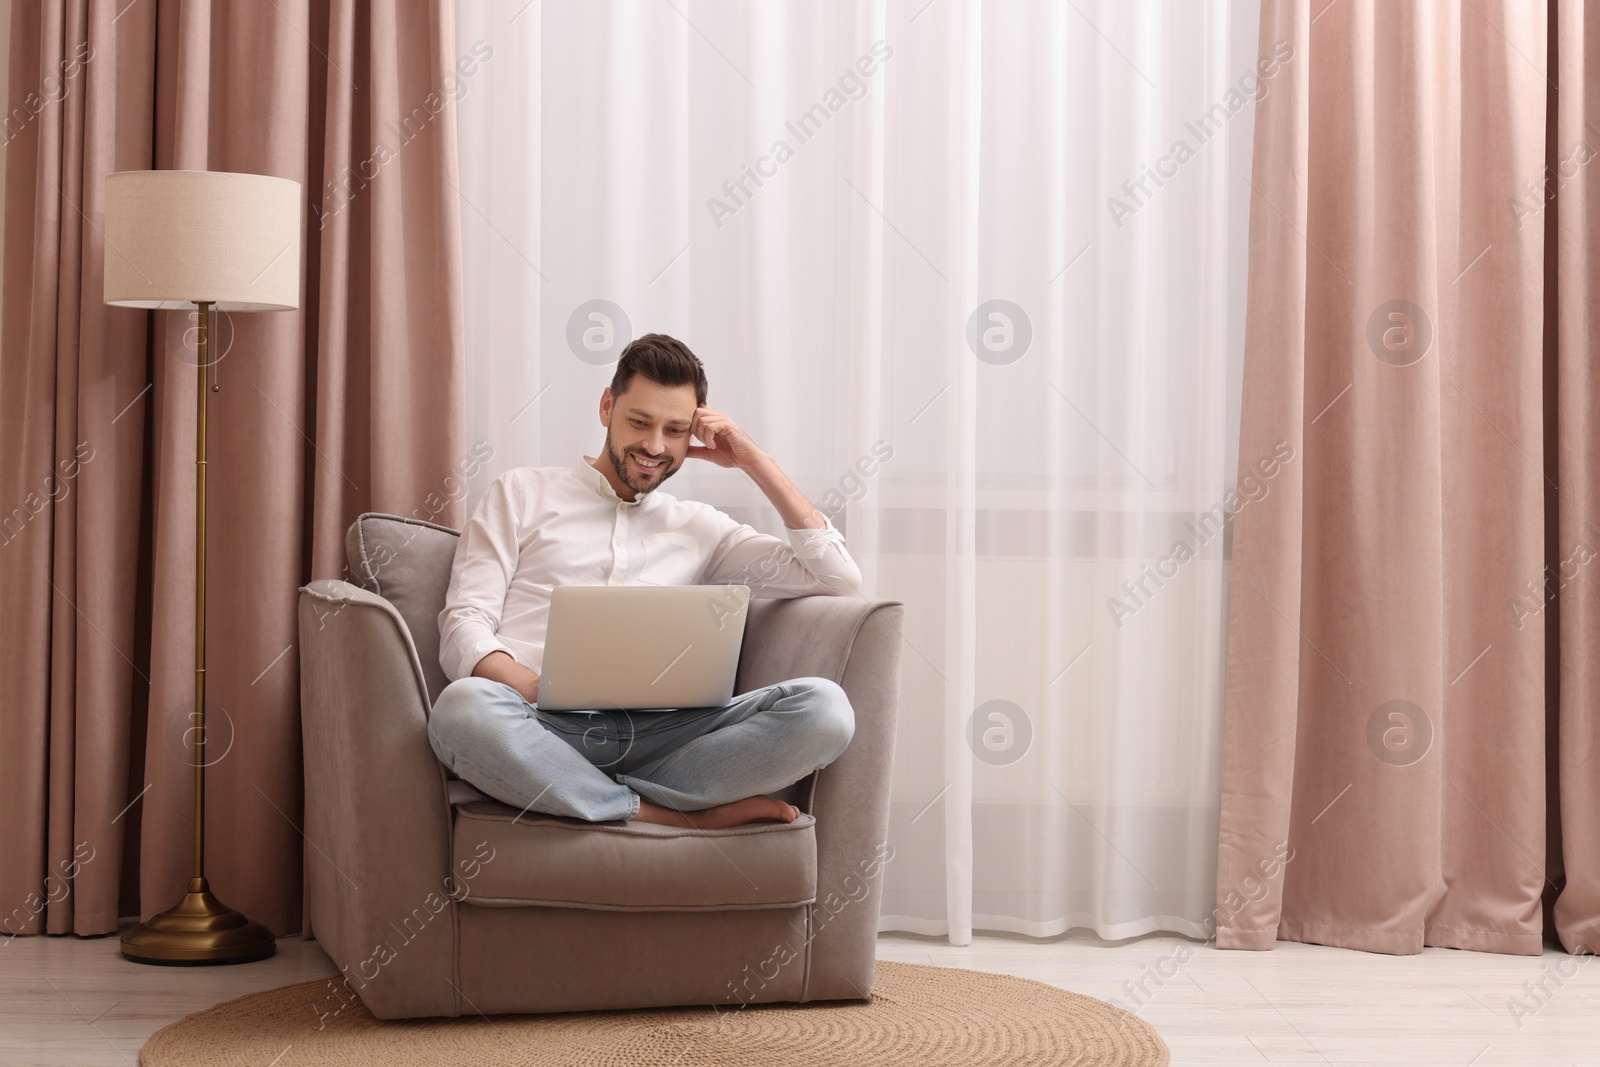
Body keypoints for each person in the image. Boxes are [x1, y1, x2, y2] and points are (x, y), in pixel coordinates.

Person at [428, 333, 862, 828]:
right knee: (461, 710)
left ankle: (579, 793)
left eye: (675, 430)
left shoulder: (702, 527)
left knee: (825, 710)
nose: (655, 446)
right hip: (537, 724)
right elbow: (465, 622)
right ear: (607, 406)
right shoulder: (520, 492)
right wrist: (532, 686)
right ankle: (672, 814)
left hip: (665, 736)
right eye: (639, 421)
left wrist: (755, 463)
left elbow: (837, 578)